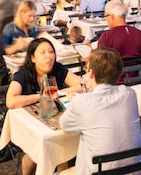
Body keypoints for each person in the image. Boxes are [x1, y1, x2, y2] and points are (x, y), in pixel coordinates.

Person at [6, 38, 83, 175]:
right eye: (42, 52)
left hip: (55, 120)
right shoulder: (23, 74)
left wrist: (57, 93)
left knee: (59, 143)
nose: (48, 56)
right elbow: (11, 101)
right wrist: (43, 96)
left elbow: (81, 85)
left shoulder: (57, 69)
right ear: (33, 58)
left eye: (51, 51)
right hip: (32, 125)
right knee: (37, 150)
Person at [61, 48, 141, 175]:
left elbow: (65, 126)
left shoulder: (82, 102)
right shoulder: (130, 94)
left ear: (91, 73)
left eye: (87, 70)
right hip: (134, 171)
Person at [96, 1, 141, 68]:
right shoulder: (139, 34)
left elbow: (100, 64)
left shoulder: (106, 37)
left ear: (112, 17)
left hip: (115, 77)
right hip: (138, 76)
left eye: (106, 16)